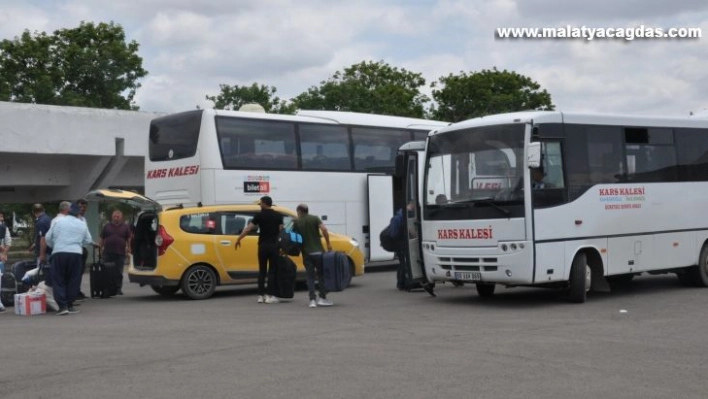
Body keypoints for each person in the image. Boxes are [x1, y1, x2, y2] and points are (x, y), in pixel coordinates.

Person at [45, 203, 94, 315]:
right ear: (78, 213)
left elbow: (48, 238)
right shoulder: (82, 224)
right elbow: (88, 240)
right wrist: (78, 244)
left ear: (68, 211)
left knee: (58, 279)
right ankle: (70, 304)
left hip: (59, 252)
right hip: (76, 254)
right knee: (73, 279)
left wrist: (55, 245)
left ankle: (62, 306)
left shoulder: (58, 222)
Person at [234, 196, 283, 304]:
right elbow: (281, 231)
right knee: (272, 271)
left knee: (262, 271)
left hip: (262, 246)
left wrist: (239, 238)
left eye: (261, 203)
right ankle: (270, 296)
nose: (260, 204)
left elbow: (248, 228)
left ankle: (260, 296)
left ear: (265, 203)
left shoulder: (259, 215)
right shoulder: (278, 215)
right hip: (274, 246)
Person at [389, 202, 435, 297]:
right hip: (403, 244)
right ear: (412, 205)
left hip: (399, 244)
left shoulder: (398, 216)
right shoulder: (404, 216)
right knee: (405, 263)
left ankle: (401, 284)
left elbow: (394, 234)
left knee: (402, 263)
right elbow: (408, 232)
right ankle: (405, 283)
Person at [292, 203, 333, 308]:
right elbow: (324, 229)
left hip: (306, 253)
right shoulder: (315, 218)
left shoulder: (297, 222)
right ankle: (322, 298)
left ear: (300, 211)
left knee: (310, 276)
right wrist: (328, 243)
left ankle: (312, 300)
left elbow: (294, 238)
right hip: (319, 252)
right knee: (321, 275)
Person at [99, 209, 132, 295]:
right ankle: (107, 288)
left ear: (121, 217)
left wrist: (129, 247)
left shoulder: (125, 227)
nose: (116, 218)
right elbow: (102, 238)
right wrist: (99, 249)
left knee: (119, 272)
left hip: (120, 253)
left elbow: (128, 238)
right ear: (112, 217)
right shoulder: (106, 226)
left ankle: (118, 289)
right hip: (107, 252)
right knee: (107, 271)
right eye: (114, 216)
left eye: (118, 216)